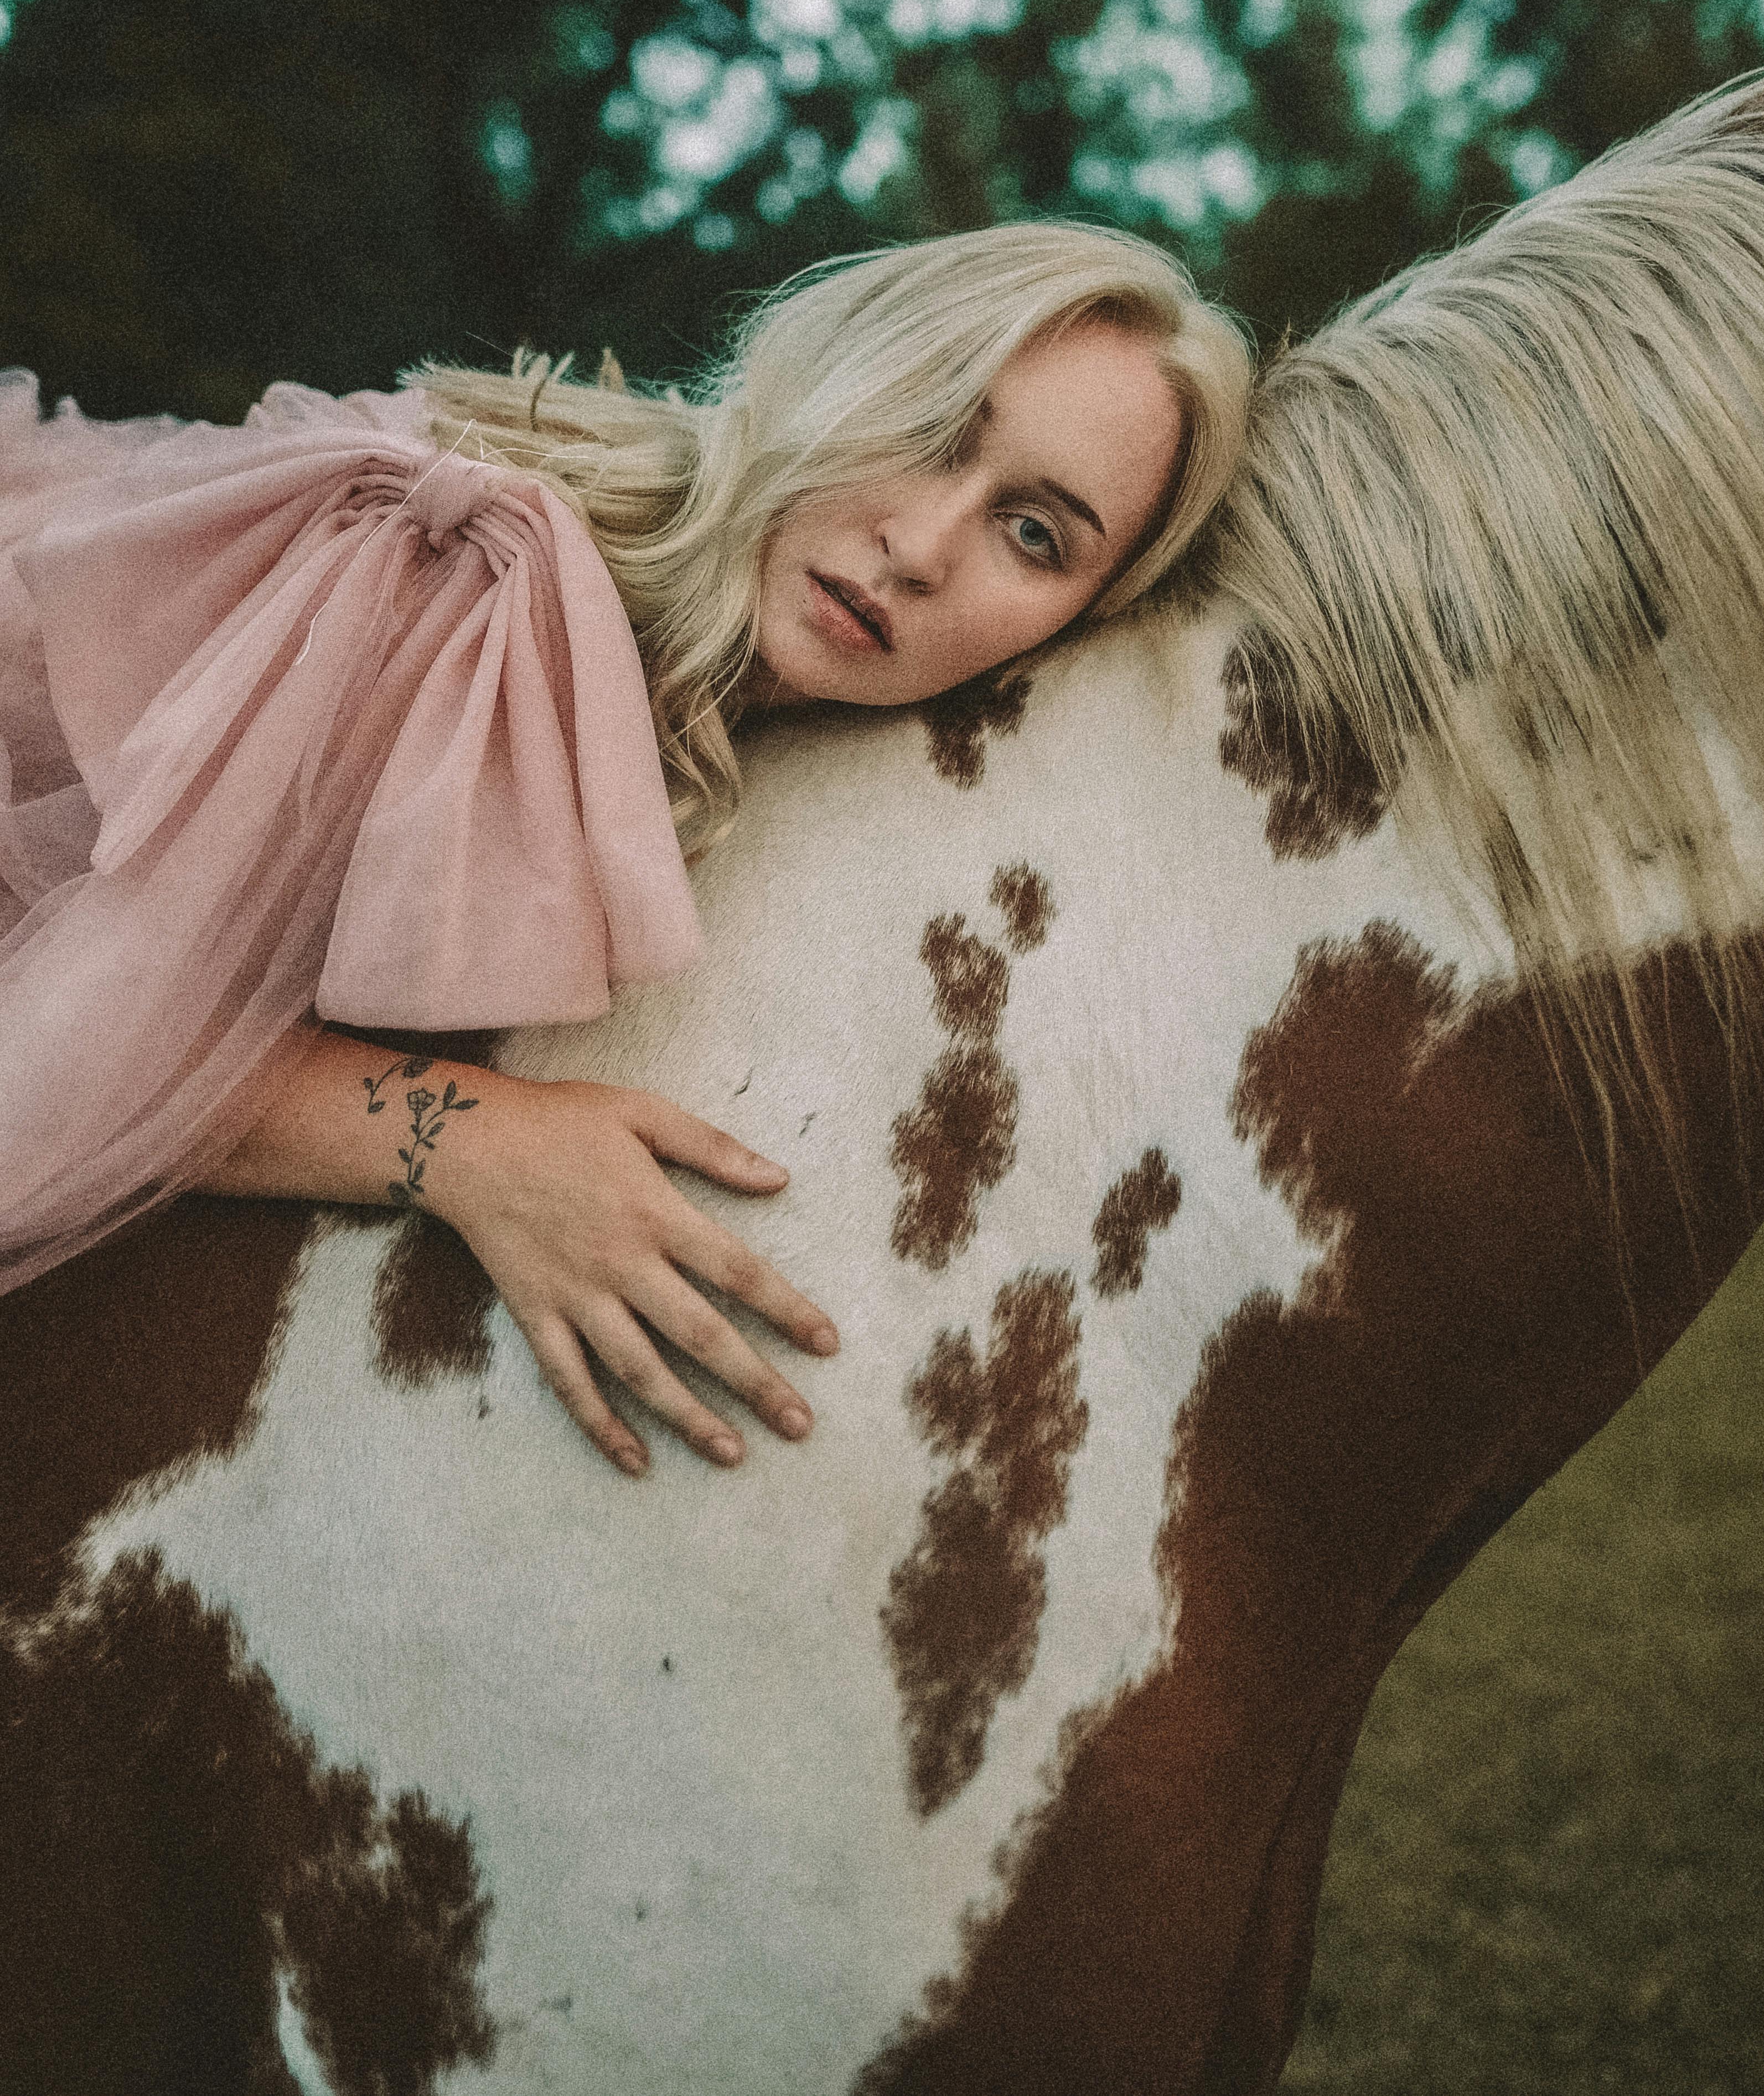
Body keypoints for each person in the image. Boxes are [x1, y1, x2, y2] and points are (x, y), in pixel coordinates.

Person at [0, 224, 1251, 1473]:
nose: (923, 550)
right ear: (831, 362)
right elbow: (51, 1058)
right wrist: (473, 1144)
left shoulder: (777, 710)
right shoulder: (461, 574)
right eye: (928, 427)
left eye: (1033, 534)